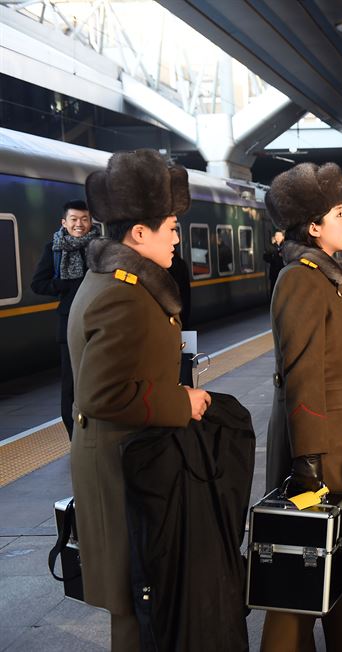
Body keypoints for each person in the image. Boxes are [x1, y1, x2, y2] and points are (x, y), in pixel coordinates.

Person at [69, 149, 211, 650]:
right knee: (135, 606)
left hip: (128, 461)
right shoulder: (122, 293)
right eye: (171, 226)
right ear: (138, 234)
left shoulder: (115, 282)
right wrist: (182, 402)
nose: (177, 237)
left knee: (142, 599)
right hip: (120, 467)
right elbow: (103, 393)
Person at [261, 162, 342, 652]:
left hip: (334, 448)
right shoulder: (301, 280)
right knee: (304, 580)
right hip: (321, 455)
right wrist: (308, 468)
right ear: (313, 226)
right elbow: (303, 376)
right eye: (338, 213)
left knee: (336, 574)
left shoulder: (321, 277)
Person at [30, 200, 97, 437]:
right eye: (74, 219)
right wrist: (66, 286)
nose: (79, 224)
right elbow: (37, 284)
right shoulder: (54, 249)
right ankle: (75, 435)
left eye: (84, 219)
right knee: (70, 384)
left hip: (99, 320)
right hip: (69, 322)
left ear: (91, 221)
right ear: (64, 222)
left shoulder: (101, 247)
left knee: (99, 377)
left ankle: (98, 430)